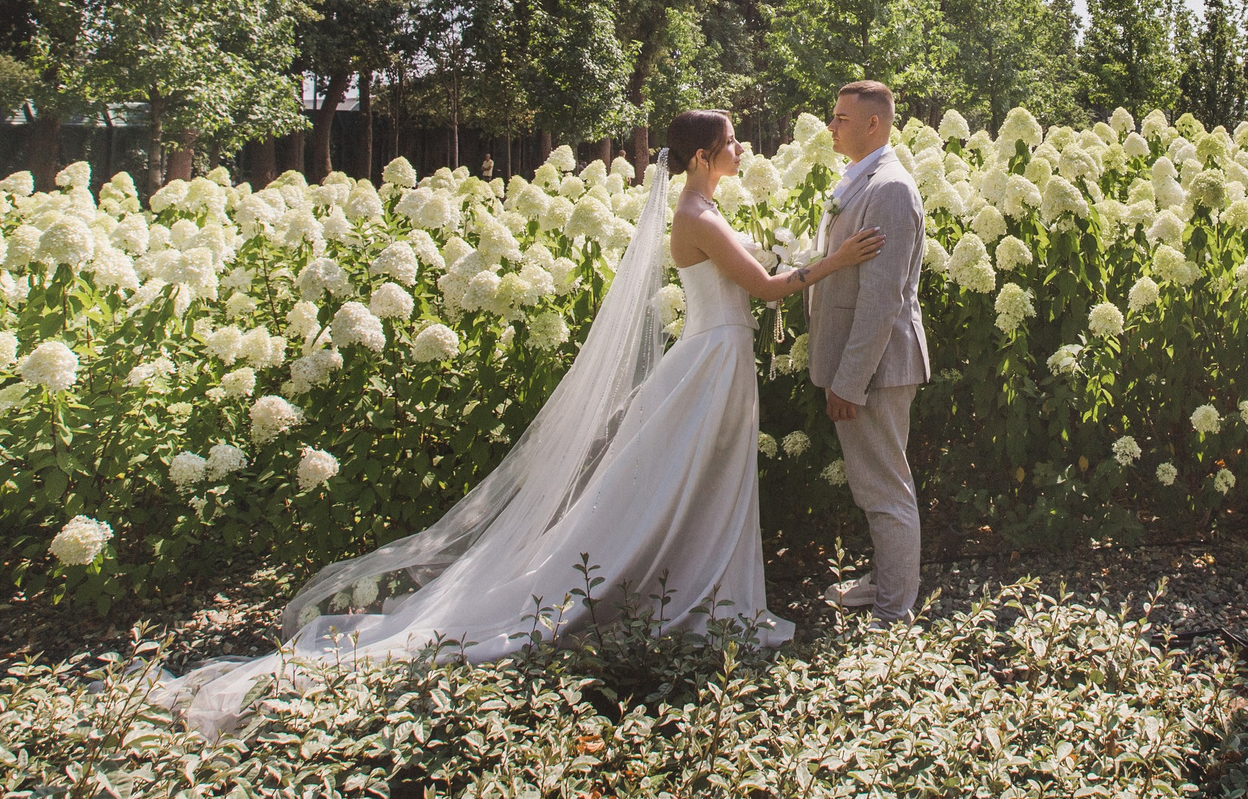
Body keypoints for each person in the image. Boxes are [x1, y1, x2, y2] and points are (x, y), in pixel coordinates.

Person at [154, 109, 880, 738]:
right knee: (696, 482)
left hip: (717, 356)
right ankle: (699, 596)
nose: (741, 150)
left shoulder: (704, 213)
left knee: (706, 482)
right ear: (699, 156)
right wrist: (832, 260)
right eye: (731, 142)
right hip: (714, 357)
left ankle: (707, 590)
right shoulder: (696, 217)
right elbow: (767, 286)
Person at [809, 80, 932, 623]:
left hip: (876, 369)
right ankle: (886, 582)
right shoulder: (862, 180)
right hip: (866, 366)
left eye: (839, 118)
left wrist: (849, 380)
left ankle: (893, 610)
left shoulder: (890, 189)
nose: (830, 127)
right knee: (877, 484)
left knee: (886, 491)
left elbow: (883, 300)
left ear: (872, 125)